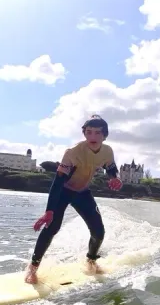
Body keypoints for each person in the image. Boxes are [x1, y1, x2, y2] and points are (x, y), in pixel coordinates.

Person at [24, 115, 123, 285]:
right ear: (84, 133)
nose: (93, 137)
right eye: (89, 132)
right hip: (63, 191)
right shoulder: (73, 153)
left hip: (82, 192)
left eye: (98, 133)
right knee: (52, 227)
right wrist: (49, 211)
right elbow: (57, 182)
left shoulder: (107, 151)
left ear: (105, 135)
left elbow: (111, 168)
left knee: (98, 232)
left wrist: (115, 178)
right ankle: (32, 269)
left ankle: (91, 261)